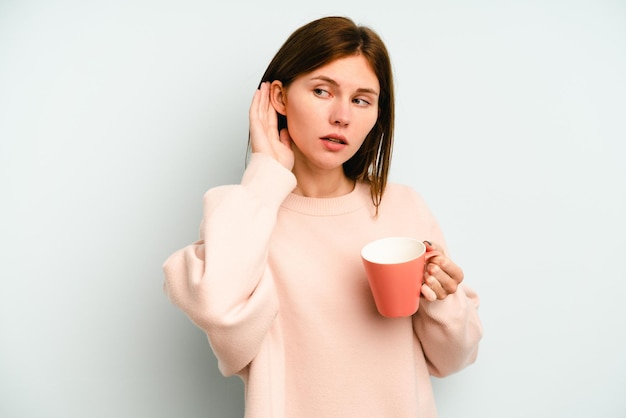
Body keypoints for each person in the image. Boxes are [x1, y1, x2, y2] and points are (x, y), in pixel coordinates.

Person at [163, 16, 482, 418]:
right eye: (321, 91)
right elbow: (218, 311)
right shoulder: (246, 215)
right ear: (279, 98)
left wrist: (442, 300)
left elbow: (453, 359)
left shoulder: (404, 208)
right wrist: (265, 174)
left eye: (361, 100)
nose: (341, 116)